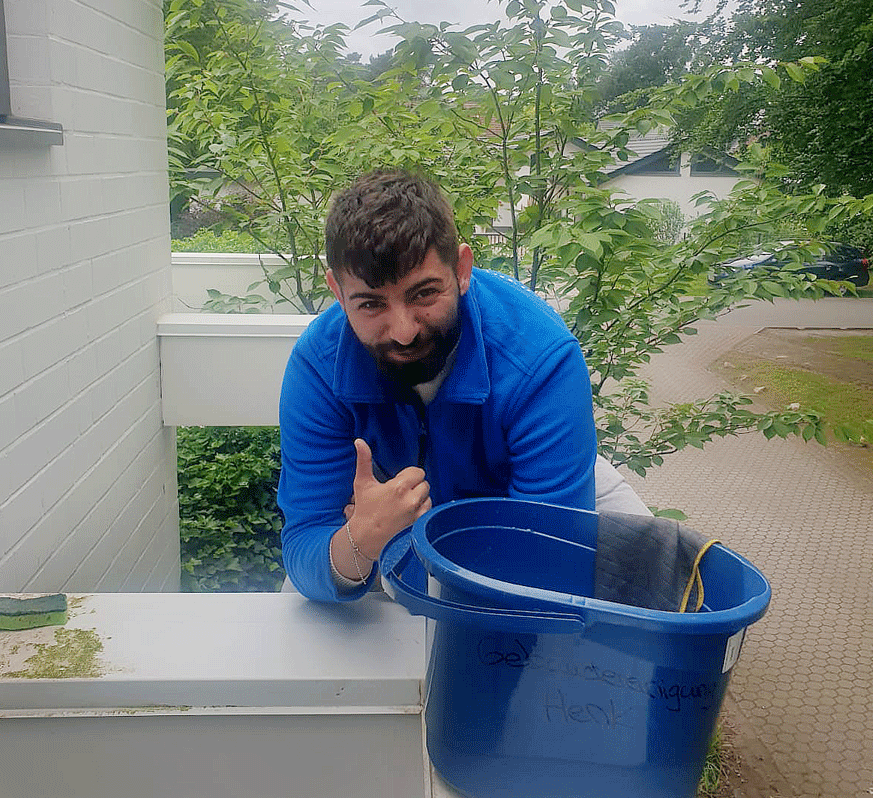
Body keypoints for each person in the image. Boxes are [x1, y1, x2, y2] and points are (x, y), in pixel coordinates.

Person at [276, 169, 648, 601]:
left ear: (463, 269)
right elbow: (305, 544)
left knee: (631, 604)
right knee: (312, 609)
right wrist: (361, 539)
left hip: (537, 490)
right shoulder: (318, 367)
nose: (403, 331)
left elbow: (548, 563)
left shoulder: (543, 359)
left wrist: (400, 550)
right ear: (338, 294)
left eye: (423, 294)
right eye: (371, 304)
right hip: (393, 507)